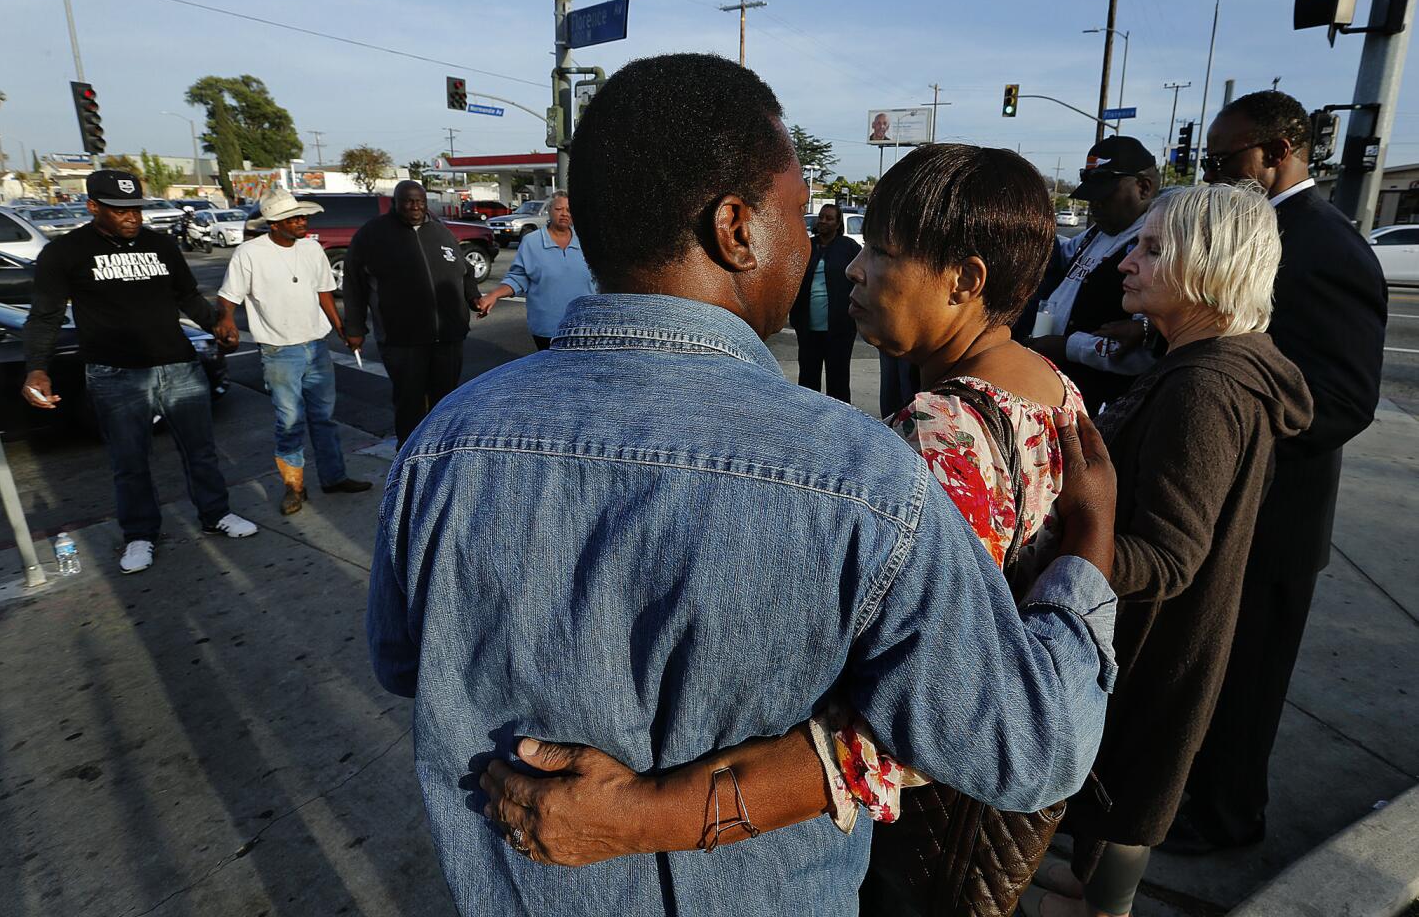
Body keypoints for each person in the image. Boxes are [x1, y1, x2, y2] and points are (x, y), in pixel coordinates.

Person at [366, 53, 1120, 917]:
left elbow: (402, 662)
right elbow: (1033, 747)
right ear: (736, 228)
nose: (824, 252)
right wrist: (1089, 560)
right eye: (798, 215)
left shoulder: (438, 448)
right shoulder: (865, 482)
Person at [1022, 184, 1313, 917]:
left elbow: (1170, 556)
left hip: (1155, 656)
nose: (1129, 262)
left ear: (1210, 264)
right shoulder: (1215, 365)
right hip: (1165, 652)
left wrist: (1056, 541)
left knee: (1126, 811)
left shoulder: (1206, 388)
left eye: (1152, 250)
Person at [1171, 91, 1389, 854]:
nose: (1220, 175)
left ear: (1282, 149)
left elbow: (1343, 400)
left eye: (1228, 161)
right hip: (1231, 511)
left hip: (1275, 520)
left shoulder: (1323, 245)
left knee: (1247, 686)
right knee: (1210, 676)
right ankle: (1196, 797)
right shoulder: (1264, 232)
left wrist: (1229, 428)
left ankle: (1228, 816)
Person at [21, 169, 257, 575]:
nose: (131, 217)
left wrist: (216, 325)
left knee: (200, 450)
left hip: (178, 365)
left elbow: (185, 295)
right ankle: (140, 535)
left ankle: (215, 513)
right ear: (93, 206)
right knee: (130, 460)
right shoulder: (65, 253)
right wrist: (37, 369)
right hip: (115, 374)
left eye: (135, 208)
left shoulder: (160, 244)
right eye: (118, 210)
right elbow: (45, 316)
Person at [214, 187, 371, 515]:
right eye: (294, 217)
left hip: (316, 345)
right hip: (278, 350)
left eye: (302, 215)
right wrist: (226, 320)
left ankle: (334, 476)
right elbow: (229, 296)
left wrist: (342, 329)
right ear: (274, 223)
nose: (302, 221)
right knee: (289, 421)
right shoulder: (249, 253)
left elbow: (324, 292)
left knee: (324, 418)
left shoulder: (312, 249)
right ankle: (293, 487)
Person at [1017, 137, 1162, 415]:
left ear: (1143, 187)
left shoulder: (1156, 245)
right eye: (1091, 196)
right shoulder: (1101, 232)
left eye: (1104, 195)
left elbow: (1143, 351)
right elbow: (1062, 252)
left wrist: (1068, 346)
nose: (1094, 206)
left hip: (1100, 402)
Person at [343, 180, 482, 445]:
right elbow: (353, 284)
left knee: (446, 399)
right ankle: (409, 454)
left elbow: (464, 270)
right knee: (410, 402)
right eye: (408, 201)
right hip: (402, 338)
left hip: (449, 335)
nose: (415, 207)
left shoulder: (440, 231)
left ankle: (441, 449)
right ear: (395, 203)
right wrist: (354, 328)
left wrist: (472, 296)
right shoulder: (373, 235)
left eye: (420, 201)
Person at [474, 191, 593, 349]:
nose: (564, 214)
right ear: (549, 211)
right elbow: (518, 278)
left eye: (569, 210)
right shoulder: (532, 242)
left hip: (586, 327)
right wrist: (493, 295)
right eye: (559, 209)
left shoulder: (587, 241)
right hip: (548, 330)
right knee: (551, 372)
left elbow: (601, 279)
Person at [791, 202, 862, 401]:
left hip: (839, 329)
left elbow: (863, 277)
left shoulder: (849, 247)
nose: (823, 221)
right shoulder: (807, 246)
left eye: (829, 218)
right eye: (821, 217)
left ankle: (839, 428)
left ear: (838, 223)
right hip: (808, 329)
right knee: (807, 380)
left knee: (838, 382)